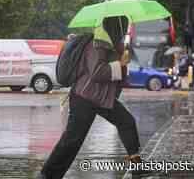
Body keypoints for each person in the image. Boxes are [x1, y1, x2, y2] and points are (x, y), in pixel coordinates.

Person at [39, 16, 143, 179]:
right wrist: (120, 64)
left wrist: (122, 61)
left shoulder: (113, 45)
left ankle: (137, 165)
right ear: (114, 27)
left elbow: (116, 77)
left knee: (126, 122)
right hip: (84, 98)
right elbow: (97, 72)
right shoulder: (97, 45)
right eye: (122, 26)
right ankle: (47, 175)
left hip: (100, 98)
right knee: (72, 139)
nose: (123, 30)